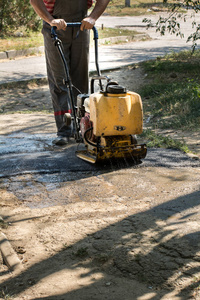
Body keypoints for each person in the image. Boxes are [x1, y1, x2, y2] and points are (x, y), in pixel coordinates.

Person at [30, 0, 110, 145]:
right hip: (55, 26)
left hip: (81, 25)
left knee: (80, 80)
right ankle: (64, 131)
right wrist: (51, 20)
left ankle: (83, 128)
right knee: (60, 80)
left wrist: (92, 17)